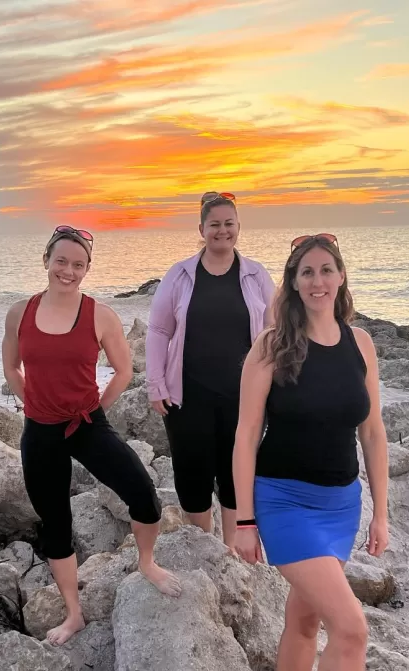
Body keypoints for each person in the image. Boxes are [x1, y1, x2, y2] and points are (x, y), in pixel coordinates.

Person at [2, 225, 181, 646]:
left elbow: (123, 370)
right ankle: (73, 614)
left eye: (77, 264)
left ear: (87, 269)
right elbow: (11, 366)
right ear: (46, 259)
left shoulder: (100, 314)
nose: (68, 270)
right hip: (39, 432)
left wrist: (97, 409)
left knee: (142, 492)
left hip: (86, 425)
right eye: (61, 260)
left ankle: (147, 563)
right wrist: (32, 404)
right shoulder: (19, 312)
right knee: (56, 524)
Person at [232, 233, 389, 671]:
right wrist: (245, 520)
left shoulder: (360, 343)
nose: (317, 281)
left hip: (341, 505)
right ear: (294, 282)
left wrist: (381, 512)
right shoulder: (271, 347)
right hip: (285, 502)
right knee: (352, 628)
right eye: (307, 272)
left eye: (325, 270)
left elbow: (373, 433)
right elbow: (245, 436)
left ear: (340, 277)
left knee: (303, 621)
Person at [146, 191, 275, 550]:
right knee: (192, 477)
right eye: (214, 224)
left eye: (228, 224)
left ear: (238, 227)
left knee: (237, 476)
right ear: (202, 228)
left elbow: (272, 332)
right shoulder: (180, 274)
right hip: (187, 396)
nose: (222, 231)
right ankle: (204, 546)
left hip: (243, 399)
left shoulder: (256, 275)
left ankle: (233, 551)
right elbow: (159, 331)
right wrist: (155, 384)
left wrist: (276, 387)